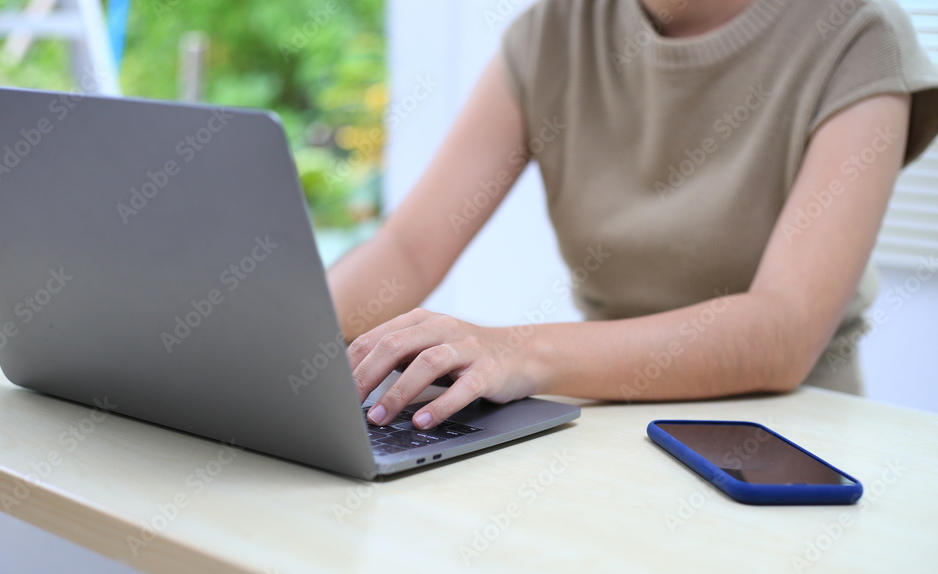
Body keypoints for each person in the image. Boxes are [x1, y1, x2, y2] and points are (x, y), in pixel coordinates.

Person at [327, 0, 938, 430]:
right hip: (608, 429)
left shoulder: (859, 38)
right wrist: (283, 332)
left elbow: (783, 332)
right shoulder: (553, 32)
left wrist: (518, 351)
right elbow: (408, 248)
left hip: (791, 447)